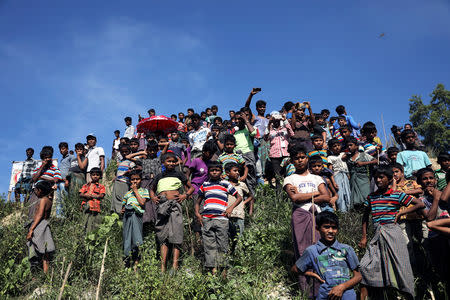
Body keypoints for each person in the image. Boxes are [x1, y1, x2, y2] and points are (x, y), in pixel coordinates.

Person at [359, 167, 424, 299]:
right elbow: (365, 217)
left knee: (400, 266)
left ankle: (407, 294)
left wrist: (401, 212)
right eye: (376, 177)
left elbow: (419, 204)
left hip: (393, 232)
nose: (378, 180)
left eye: (381, 177)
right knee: (364, 266)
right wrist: (364, 237)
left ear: (389, 179)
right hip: (377, 233)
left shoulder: (397, 194)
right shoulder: (372, 197)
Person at [283, 144, 330, 296]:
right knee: (303, 251)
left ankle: (321, 290)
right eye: (296, 158)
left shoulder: (316, 178)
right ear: (292, 161)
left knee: (320, 250)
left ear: (307, 158)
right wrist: (316, 193)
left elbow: (326, 197)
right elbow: (294, 198)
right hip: (300, 215)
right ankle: (307, 292)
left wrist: (306, 194)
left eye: (303, 157)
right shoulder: (290, 178)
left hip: (317, 215)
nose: (300, 161)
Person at [292, 211, 361, 300]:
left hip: (347, 295)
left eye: (334, 228)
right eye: (326, 227)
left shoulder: (346, 249)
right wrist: (312, 274)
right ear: (318, 228)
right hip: (326, 295)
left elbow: (358, 276)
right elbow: (295, 269)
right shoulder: (312, 251)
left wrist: (342, 287)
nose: (331, 231)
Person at [194, 161, 242, 275]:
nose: (214, 172)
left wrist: (230, 209)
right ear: (209, 172)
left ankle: (223, 270)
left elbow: (239, 197)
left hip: (222, 219)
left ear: (221, 172)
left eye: (217, 170)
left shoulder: (226, 184)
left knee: (222, 244)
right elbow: (198, 201)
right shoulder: (205, 185)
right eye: (212, 170)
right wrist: (197, 213)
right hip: (207, 218)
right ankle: (213, 270)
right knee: (209, 244)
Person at [150, 152, 194, 272]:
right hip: (162, 205)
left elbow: (191, 187)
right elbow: (152, 190)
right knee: (162, 234)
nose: (171, 163)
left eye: (173, 161)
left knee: (177, 234)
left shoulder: (179, 174)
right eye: (168, 161)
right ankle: (163, 266)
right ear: (163, 163)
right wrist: (153, 198)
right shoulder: (159, 176)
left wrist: (185, 195)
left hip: (175, 205)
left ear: (176, 163)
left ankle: (175, 266)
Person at [121, 170, 149, 268]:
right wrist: (123, 210)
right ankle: (128, 262)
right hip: (128, 217)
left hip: (137, 216)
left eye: (137, 179)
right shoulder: (127, 193)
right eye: (133, 179)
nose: (135, 181)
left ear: (141, 180)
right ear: (130, 181)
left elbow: (142, 203)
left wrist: (136, 191)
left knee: (137, 239)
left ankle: (137, 262)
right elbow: (123, 207)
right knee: (128, 238)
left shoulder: (144, 191)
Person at [26, 180, 55, 274]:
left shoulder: (43, 200)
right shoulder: (49, 200)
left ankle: (35, 275)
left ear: (41, 191)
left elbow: (39, 215)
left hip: (39, 226)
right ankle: (45, 275)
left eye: (37, 190)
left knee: (34, 251)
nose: (36, 192)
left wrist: (31, 229)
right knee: (45, 253)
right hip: (45, 225)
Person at [224, 162, 253, 248]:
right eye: (235, 171)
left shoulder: (241, 184)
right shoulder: (224, 185)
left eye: (238, 171)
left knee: (239, 238)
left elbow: (251, 196)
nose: (238, 173)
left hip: (239, 214)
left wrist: (244, 203)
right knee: (228, 237)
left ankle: (238, 257)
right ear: (227, 173)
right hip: (227, 214)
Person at [264, 111, 294, 189]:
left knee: (288, 174)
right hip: (274, 155)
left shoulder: (284, 128)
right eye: (274, 120)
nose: (276, 122)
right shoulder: (270, 130)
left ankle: (288, 193)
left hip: (286, 154)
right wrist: (269, 123)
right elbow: (265, 138)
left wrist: (285, 120)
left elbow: (292, 134)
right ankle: (279, 195)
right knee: (278, 175)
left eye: (277, 120)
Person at [345, 137, 376, 209]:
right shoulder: (348, 157)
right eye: (347, 146)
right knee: (355, 196)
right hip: (353, 179)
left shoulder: (363, 155)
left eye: (351, 145)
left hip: (363, 178)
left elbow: (375, 161)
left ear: (356, 146)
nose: (349, 147)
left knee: (365, 195)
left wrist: (363, 163)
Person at [234, 109, 258, 194]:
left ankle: (252, 199)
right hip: (238, 155)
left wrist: (246, 120)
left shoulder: (248, 129)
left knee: (250, 178)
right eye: (235, 119)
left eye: (239, 119)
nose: (236, 121)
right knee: (240, 178)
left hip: (248, 154)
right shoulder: (235, 133)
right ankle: (243, 200)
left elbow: (254, 133)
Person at [327, 138, 351, 212]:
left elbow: (350, 152)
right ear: (331, 148)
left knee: (347, 192)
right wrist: (333, 182)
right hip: (337, 175)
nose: (337, 147)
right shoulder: (330, 157)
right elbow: (330, 171)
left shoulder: (343, 154)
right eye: (334, 146)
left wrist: (348, 174)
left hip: (345, 174)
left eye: (338, 145)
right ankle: (342, 210)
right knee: (340, 193)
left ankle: (349, 209)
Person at [79, 167, 105, 234]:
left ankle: (90, 237)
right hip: (86, 206)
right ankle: (82, 238)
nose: (95, 176)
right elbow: (80, 194)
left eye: (97, 175)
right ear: (90, 176)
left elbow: (101, 195)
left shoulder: (101, 186)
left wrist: (93, 196)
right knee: (84, 222)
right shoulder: (86, 185)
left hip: (95, 207)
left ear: (100, 176)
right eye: (93, 175)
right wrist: (86, 195)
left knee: (93, 223)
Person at [111, 144, 135, 214]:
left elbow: (133, 172)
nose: (124, 153)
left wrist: (129, 172)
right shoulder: (121, 162)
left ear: (129, 152)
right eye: (122, 152)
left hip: (125, 182)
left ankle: (122, 212)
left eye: (126, 151)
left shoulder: (131, 162)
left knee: (122, 198)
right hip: (118, 181)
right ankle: (116, 212)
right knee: (115, 198)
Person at [56, 142, 76, 218]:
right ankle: (59, 216)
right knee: (58, 200)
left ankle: (65, 216)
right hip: (59, 181)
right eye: (60, 149)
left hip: (65, 182)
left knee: (64, 199)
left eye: (63, 148)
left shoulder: (71, 157)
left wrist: (67, 179)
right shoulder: (61, 160)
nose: (62, 150)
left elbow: (72, 169)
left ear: (67, 149)